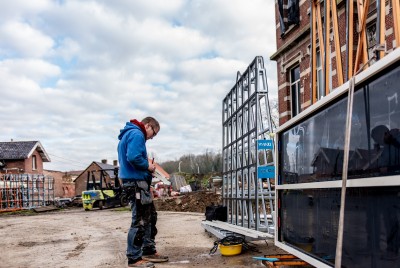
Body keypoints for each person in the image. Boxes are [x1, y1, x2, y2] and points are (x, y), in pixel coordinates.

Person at [118, 117, 168, 268]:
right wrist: (149, 167)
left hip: (138, 182)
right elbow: (133, 157)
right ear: (147, 126)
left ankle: (148, 249)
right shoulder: (137, 134)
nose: (152, 137)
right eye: (154, 133)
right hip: (135, 183)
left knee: (150, 217)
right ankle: (134, 258)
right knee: (140, 220)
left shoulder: (130, 135)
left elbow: (133, 158)